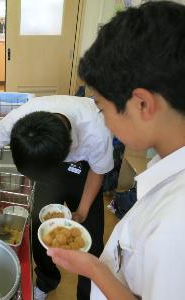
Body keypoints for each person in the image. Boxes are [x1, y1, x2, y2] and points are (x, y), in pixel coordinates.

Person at [47, 2, 185, 300]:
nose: (102, 120)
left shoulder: (177, 224)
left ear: (142, 105)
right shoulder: (167, 164)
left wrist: (95, 270)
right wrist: (96, 269)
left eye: (101, 108)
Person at [0, 95, 113, 300]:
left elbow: (98, 171)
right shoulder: (19, 122)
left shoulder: (97, 129)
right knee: (39, 228)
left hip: (85, 170)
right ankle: (46, 282)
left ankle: (87, 295)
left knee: (92, 243)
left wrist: (81, 212)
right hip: (50, 162)